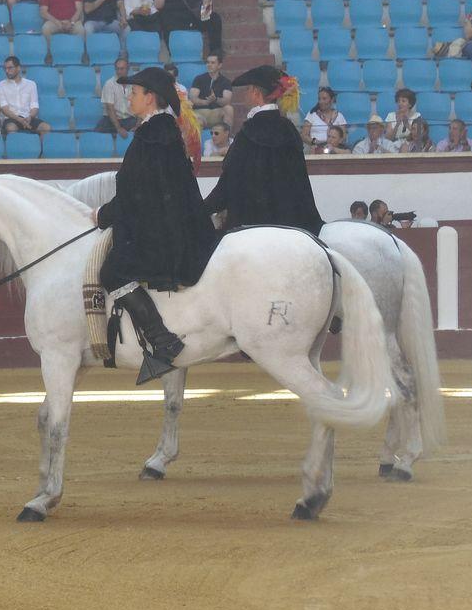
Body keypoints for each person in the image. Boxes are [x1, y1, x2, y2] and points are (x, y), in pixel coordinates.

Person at [90, 66, 218, 382]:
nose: (129, 98)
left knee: (113, 271)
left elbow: (136, 193)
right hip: (167, 222)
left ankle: (163, 340)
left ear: (150, 98)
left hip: (163, 231)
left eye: (134, 93)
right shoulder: (159, 131)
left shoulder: (154, 134)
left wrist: (102, 215)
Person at [202, 65, 324, 236]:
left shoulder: (248, 132)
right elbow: (300, 182)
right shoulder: (288, 129)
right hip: (292, 222)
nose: (245, 94)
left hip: (253, 224)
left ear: (255, 93)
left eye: (247, 89)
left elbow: (230, 181)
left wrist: (203, 208)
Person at [154, 0, 223, 55]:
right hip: (174, 19)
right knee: (166, 21)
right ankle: (174, 54)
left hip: (193, 17)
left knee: (215, 18)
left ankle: (215, 51)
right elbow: (158, 5)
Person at [0, 55, 50, 135]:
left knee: (46, 127)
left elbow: (34, 106)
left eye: (10, 68)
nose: (7, 71)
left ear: (18, 68)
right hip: (11, 118)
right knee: (11, 128)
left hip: (28, 117)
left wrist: (30, 117)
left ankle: (42, 148)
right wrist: (19, 119)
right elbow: (5, 109)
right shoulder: (1, 85)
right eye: (5, 68)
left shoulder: (31, 84)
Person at [188, 53, 234, 130]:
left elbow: (227, 100)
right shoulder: (199, 79)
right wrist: (205, 102)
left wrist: (215, 99)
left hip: (216, 113)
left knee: (229, 109)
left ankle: (226, 138)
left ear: (219, 65)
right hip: (200, 113)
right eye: (208, 62)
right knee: (196, 120)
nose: (209, 65)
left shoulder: (226, 82)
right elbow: (193, 98)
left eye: (212, 63)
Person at [98, 58, 139, 137]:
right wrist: (118, 128)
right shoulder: (109, 84)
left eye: (122, 69)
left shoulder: (135, 84)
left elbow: (141, 106)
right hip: (111, 119)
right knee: (97, 135)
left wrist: (138, 125)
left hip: (129, 119)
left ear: (128, 69)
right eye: (117, 69)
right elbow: (110, 108)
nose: (119, 71)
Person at [300, 87, 348, 152]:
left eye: (324, 99)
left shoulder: (339, 116)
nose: (321, 101)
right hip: (316, 149)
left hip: (335, 150)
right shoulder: (311, 115)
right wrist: (316, 142)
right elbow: (304, 135)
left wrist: (332, 145)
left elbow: (343, 137)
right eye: (319, 99)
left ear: (332, 100)